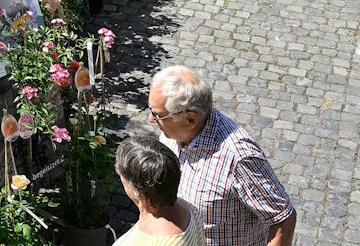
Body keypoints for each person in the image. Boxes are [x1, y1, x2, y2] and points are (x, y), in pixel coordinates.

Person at [148, 67, 294, 246]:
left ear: (191, 119)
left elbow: (283, 219)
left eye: (158, 115)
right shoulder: (172, 135)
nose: (150, 120)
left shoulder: (239, 157)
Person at [115, 136, 203, 245]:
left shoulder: (160, 242)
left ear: (137, 190)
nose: (116, 168)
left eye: (119, 171)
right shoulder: (187, 205)